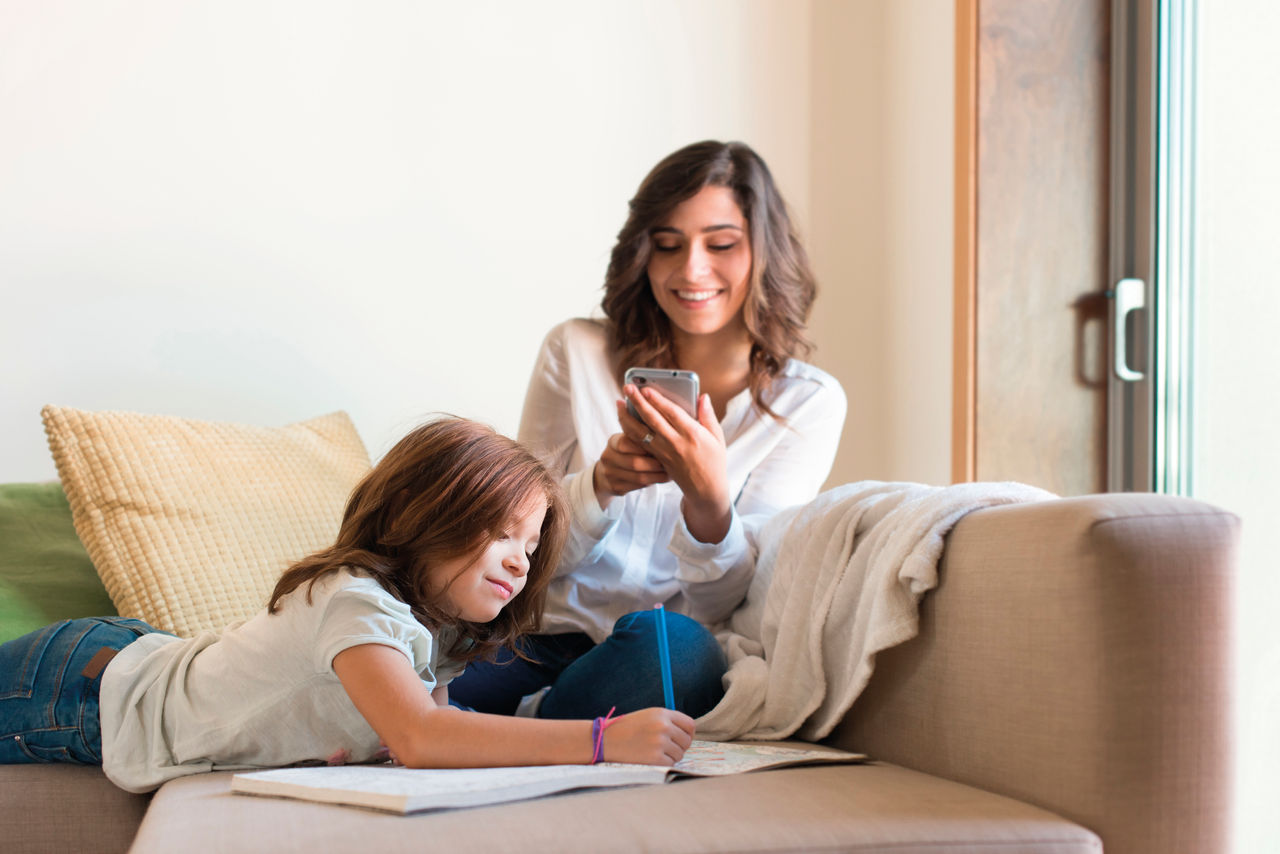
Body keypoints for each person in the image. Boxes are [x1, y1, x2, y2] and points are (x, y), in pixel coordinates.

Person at [0, 417, 694, 793]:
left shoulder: (438, 631)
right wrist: (602, 741)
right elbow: (423, 737)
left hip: (133, 658)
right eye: (501, 533)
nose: (521, 558)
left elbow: (429, 730)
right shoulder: (356, 602)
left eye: (531, 543)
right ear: (425, 516)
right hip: (85, 688)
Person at [450, 140, 847, 721]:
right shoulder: (575, 352)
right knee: (388, 674)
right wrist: (599, 485)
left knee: (679, 652)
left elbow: (733, 600)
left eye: (721, 245)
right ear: (644, 253)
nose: (691, 270)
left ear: (764, 251)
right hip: (533, 635)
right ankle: (535, 721)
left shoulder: (805, 403)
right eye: (668, 245)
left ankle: (529, 724)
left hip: (654, 651)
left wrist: (709, 502)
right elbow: (516, 551)